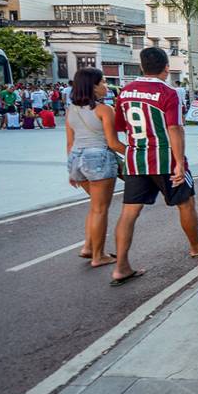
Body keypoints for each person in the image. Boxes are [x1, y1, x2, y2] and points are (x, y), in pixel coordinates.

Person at [111, 47, 198, 286]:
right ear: (166, 68)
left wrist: (130, 150)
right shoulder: (168, 92)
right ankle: (196, 248)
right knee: (185, 203)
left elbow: (120, 127)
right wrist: (180, 163)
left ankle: (121, 266)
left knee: (129, 213)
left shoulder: (125, 92)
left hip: (135, 160)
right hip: (165, 159)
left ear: (142, 67)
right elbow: (174, 128)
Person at [66, 67, 126, 268]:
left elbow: (70, 143)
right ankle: (98, 256)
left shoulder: (71, 110)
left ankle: (89, 247)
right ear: (93, 86)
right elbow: (113, 143)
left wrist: (71, 171)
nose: (105, 86)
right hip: (98, 159)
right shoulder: (104, 110)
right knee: (101, 209)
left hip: (76, 159)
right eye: (102, 82)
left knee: (94, 207)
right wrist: (135, 154)